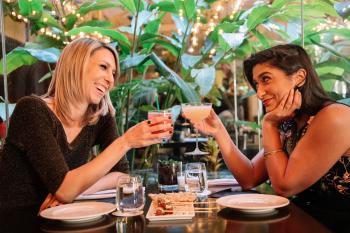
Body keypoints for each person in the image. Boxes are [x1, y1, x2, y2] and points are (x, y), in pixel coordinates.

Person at [187, 44, 350, 231]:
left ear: (299, 77)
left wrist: (270, 124)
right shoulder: (292, 122)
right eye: (257, 84)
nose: (259, 93)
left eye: (266, 79)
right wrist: (219, 131)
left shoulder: (334, 117)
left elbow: (285, 186)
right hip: (304, 221)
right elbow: (249, 177)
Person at [0, 38, 173, 212]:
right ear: (76, 65)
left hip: (65, 217)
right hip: (19, 218)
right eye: (103, 67)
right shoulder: (32, 110)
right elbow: (65, 190)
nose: (110, 80)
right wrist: (126, 141)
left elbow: (122, 175)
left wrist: (78, 189)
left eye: (113, 73)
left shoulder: (100, 117)